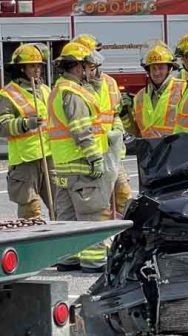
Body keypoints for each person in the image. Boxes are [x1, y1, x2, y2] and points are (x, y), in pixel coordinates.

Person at [47, 42, 113, 273]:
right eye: (88, 66)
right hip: (81, 165)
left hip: (64, 165)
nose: (92, 70)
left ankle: (68, 257)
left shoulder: (59, 89)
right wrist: (95, 157)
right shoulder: (73, 93)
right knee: (91, 214)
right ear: (77, 67)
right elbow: (81, 129)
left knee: (67, 216)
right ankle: (94, 261)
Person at [72, 34, 132, 218]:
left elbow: (114, 114)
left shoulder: (110, 83)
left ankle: (124, 237)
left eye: (95, 55)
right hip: (91, 156)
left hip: (112, 153)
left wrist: (118, 128)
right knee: (98, 205)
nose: (95, 61)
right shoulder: (76, 87)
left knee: (124, 196)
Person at [0, 44, 53, 219]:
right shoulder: (8, 94)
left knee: (59, 205)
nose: (37, 70)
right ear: (21, 68)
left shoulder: (45, 90)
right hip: (25, 160)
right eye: (32, 66)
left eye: (39, 66)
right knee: (30, 210)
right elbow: (2, 125)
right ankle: (31, 245)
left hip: (49, 155)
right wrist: (26, 124)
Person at [133, 43, 186, 138]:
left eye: (161, 68)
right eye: (153, 68)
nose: (157, 72)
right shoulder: (140, 96)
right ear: (148, 70)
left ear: (169, 69)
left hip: (173, 149)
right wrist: (125, 115)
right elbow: (135, 130)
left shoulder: (183, 88)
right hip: (149, 150)